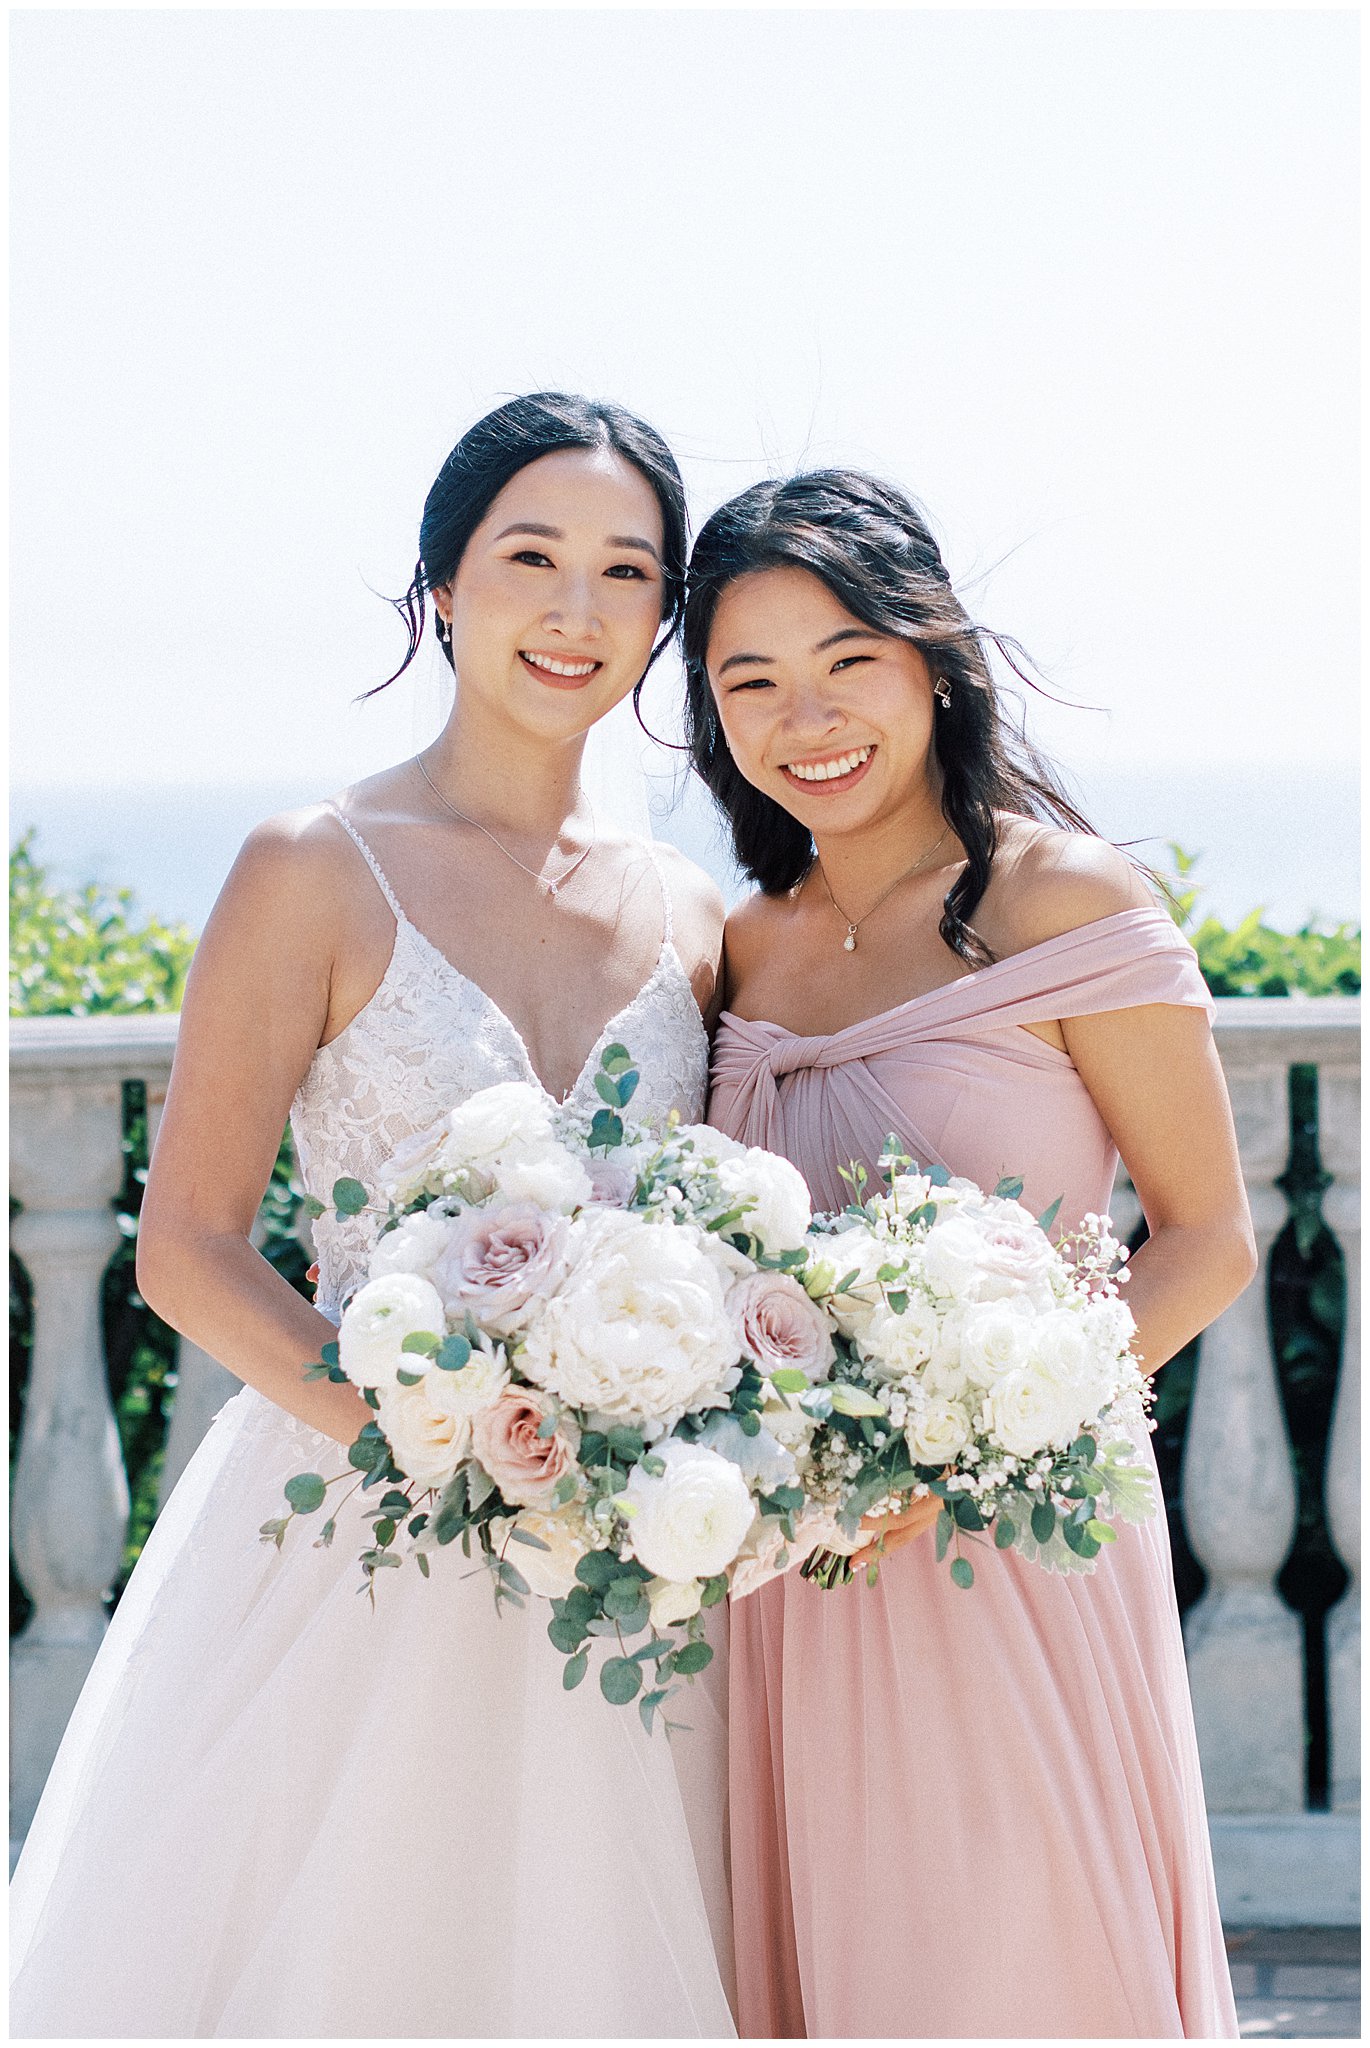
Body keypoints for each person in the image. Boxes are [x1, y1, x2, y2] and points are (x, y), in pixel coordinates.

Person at [10, 394, 736, 2039]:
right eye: (529, 559)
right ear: (441, 587)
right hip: (362, 1523)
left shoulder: (691, 910)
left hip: (624, 1551)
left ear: (663, 618)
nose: (575, 611)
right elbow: (185, 1248)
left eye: (625, 573)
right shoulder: (316, 865)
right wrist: (432, 1443)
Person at [685, 469, 1251, 2040]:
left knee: (1025, 1947)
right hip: (796, 1564)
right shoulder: (744, 947)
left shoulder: (1063, 898)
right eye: (750, 682)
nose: (806, 716)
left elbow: (1204, 1241)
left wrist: (959, 1448)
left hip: (1013, 1525)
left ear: (930, 656)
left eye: (845, 658)